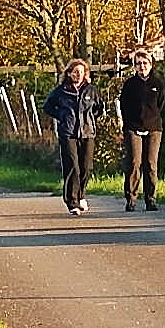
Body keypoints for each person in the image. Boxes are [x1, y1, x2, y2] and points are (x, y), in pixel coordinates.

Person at [42, 58, 99, 215]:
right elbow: (47, 106)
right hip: (68, 133)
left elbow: (99, 108)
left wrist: (90, 120)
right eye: (75, 72)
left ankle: (81, 195)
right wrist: (62, 116)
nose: (78, 75)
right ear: (69, 73)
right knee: (72, 166)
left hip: (87, 132)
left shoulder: (90, 90)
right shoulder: (61, 91)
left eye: (81, 72)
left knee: (86, 167)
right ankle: (71, 201)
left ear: (85, 74)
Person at [119, 46, 164, 210]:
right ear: (134, 66)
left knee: (151, 164)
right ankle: (131, 199)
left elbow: (160, 105)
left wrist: (151, 122)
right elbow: (124, 106)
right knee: (134, 162)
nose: (142, 66)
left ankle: (151, 199)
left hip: (153, 128)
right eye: (138, 63)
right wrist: (127, 126)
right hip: (133, 127)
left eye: (145, 63)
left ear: (151, 64)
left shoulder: (157, 84)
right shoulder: (130, 85)